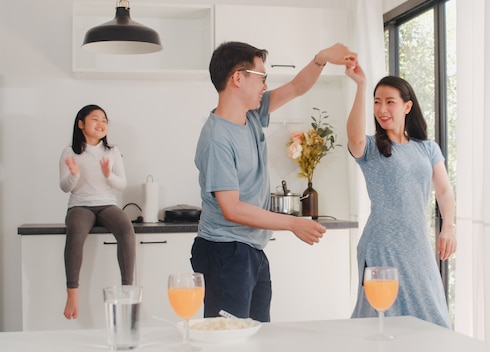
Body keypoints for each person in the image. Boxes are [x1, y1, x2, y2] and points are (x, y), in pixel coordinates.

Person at [191, 41, 357, 322]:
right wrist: (293, 223)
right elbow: (232, 208)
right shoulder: (217, 137)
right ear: (238, 78)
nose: (265, 85)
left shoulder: (252, 115)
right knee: (229, 341)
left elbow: (296, 88)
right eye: (262, 77)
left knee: (258, 336)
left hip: (250, 250)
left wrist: (321, 59)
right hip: (224, 251)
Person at [345, 66, 457, 328]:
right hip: (381, 246)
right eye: (377, 102)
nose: (382, 109)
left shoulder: (427, 148)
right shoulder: (371, 147)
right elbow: (353, 137)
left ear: (407, 107)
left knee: (433, 316)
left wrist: (449, 226)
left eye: (389, 102)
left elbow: (444, 190)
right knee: (382, 322)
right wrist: (361, 86)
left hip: (416, 245)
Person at [59, 104, 136, 320]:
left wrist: (108, 175)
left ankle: (127, 291)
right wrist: (74, 174)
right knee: (75, 231)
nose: (101, 123)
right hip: (80, 205)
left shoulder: (112, 151)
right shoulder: (70, 151)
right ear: (81, 124)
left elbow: (121, 184)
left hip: (106, 204)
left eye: (104, 120)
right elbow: (65, 187)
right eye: (95, 119)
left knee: (125, 228)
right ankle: (72, 293)